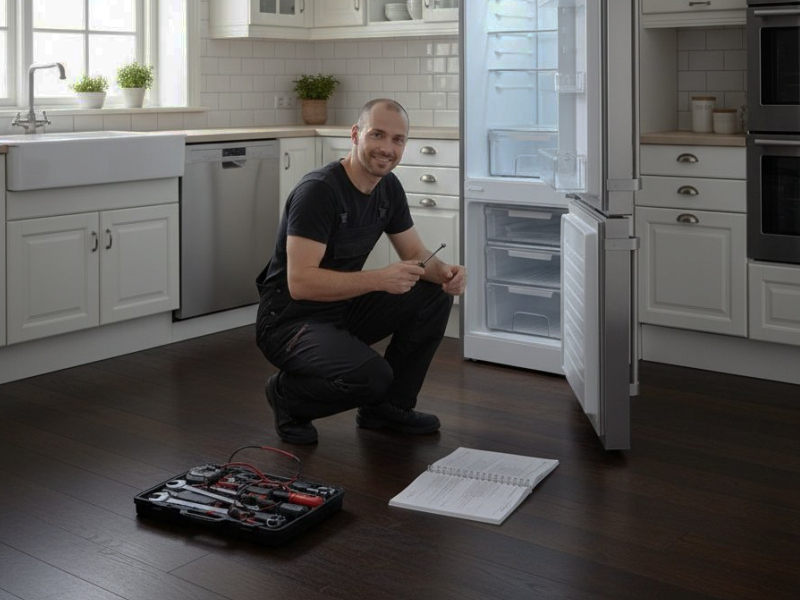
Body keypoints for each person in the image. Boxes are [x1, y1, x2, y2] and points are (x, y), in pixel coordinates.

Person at [255, 98, 467, 444]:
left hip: (340, 308)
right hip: (288, 321)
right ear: (355, 135)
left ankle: (388, 409)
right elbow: (300, 283)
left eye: (398, 140)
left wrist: (446, 273)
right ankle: (286, 396)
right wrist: (380, 279)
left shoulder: (388, 187)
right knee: (372, 376)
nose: (387, 148)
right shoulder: (319, 191)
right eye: (377, 135)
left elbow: (414, 253)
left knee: (432, 295)